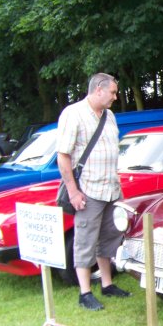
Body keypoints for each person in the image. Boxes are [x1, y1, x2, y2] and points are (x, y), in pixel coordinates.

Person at [56, 72, 131, 311]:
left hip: (111, 189)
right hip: (88, 190)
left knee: (109, 238)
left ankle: (107, 284)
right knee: (85, 240)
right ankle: (85, 292)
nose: (115, 97)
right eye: (112, 92)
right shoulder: (73, 114)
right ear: (98, 90)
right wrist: (73, 191)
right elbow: (63, 156)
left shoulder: (109, 116)